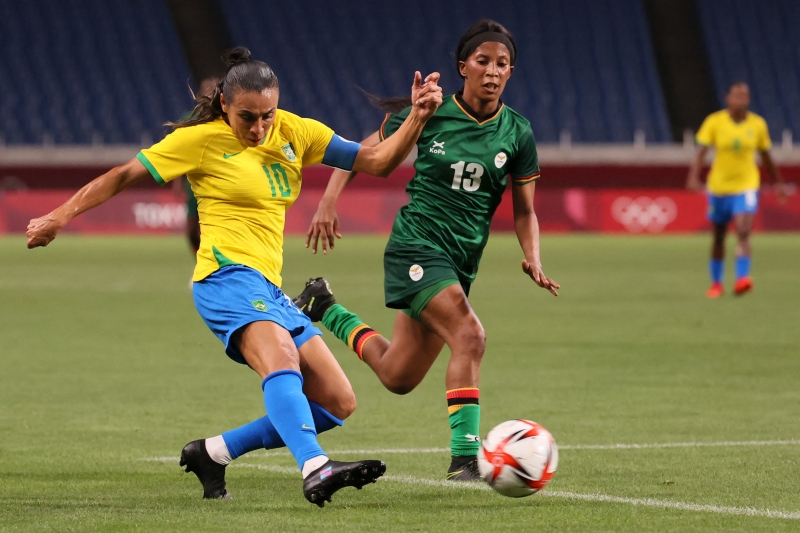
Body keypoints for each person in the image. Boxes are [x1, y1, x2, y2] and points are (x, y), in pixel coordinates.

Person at [26, 47, 442, 505]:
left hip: (269, 287)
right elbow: (123, 175)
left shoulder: (297, 132)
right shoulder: (200, 140)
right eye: (247, 116)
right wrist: (59, 217)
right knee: (281, 358)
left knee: (336, 401)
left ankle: (213, 453)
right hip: (224, 278)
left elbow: (378, 161)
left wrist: (418, 117)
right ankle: (316, 467)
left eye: (267, 115)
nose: (259, 128)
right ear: (224, 104)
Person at [293, 20, 559, 482]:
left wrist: (532, 254)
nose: (492, 72)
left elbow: (524, 212)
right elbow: (364, 149)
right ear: (463, 67)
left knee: (398, 376)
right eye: (483, 62)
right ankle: (465, 461)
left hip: (459, 262)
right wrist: (330, 200)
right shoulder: (430, 113)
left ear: (510, 72)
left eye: (502, 64)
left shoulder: (517, 133)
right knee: (470, 336)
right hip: (417, 245)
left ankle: (325, 306)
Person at [687, 82, 787, 298]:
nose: (740, 100)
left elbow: (766, 157)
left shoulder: (758, 125)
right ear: (728, 99)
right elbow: (701, 152)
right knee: (718, 237)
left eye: (745, 97)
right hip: (719, 187)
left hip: (746, 185)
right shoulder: (714, 122)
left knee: (743, 231)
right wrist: (693, 176)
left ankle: (743, 279)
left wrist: (778, 183)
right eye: (737, 96)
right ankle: (717, 283)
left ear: (748, 100)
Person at [173, 76, 219, 255]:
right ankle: (199, 264)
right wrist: (177, 180)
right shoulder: (189, 118)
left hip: (218, 180)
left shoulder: (230, 119)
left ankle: (215, 268)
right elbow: (179, 151)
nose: (209, 93)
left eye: (213, 89)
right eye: (206, 89)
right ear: (199, 94)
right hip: (194, 181)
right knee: (192, 230)